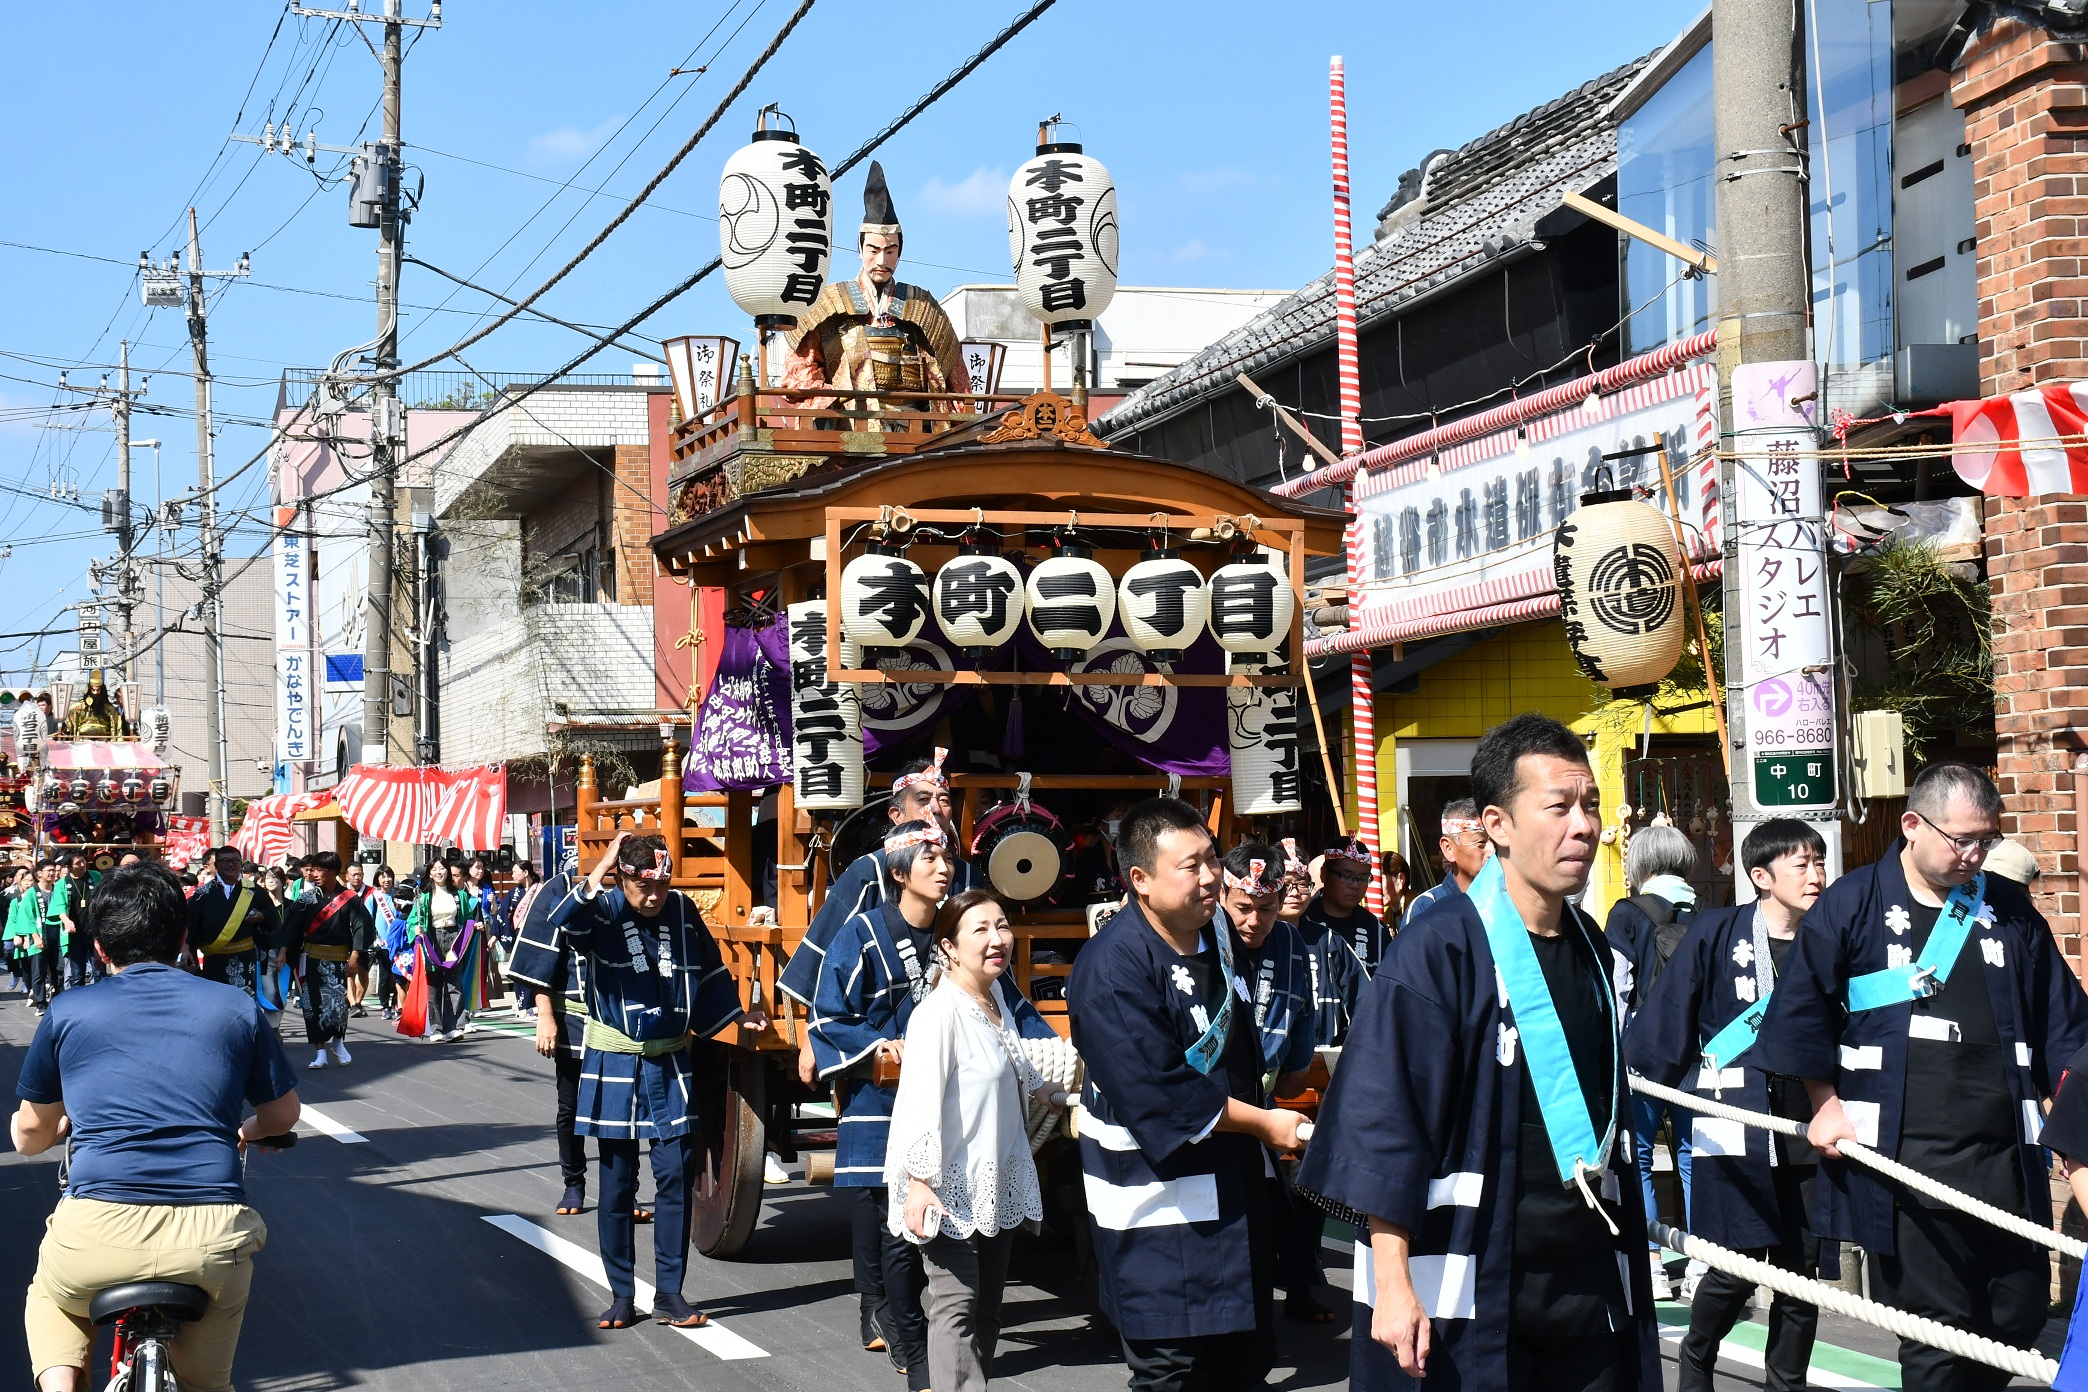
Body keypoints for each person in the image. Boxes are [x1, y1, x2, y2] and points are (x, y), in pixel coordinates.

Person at [1298, 713, 1659, 1392]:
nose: (1584, 826)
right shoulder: (1439, 950)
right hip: (1474, 1283)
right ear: (1498, 824)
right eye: (1558, 807)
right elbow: (1384, 1122)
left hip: (1587, 1284)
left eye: (1590, 806)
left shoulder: (1593, 946)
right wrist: (1393, 1284)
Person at [1754, 762, 2088, 1392]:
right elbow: (1802, 1010)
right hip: (1904, 1156)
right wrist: (1823, 1102)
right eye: (1961, 839)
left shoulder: (2009, 908)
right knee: (1937, 1330)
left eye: (1985, 840)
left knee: (2014, 1319)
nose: (1974, 855)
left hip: (2003, 1155)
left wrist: (2074, 1130)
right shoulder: (1853, 902)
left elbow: (2064, 1028)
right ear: (1912, 825)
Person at [11, 862, 300, 1392]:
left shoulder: (69, 1010)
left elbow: (30, 1135)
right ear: (184, 938)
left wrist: (49, 1128)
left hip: (95, 1234)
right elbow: (282, 1114)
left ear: (101, 948)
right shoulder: (235, 1007)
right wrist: (250, 1132)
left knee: (51, 1299)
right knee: (206, 1384)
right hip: (210, 1238)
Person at [1066, 798, 1309, 1392]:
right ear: (1140, 880)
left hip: (1235, 1188)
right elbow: (1160, 1095)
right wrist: (1268, 1124)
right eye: (1190, 866)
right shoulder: (1110, 969)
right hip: (1157, 1206)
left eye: (1212, 859)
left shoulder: (1216, 933)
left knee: (1242, 1364)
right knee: (1171, 1371)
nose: (1210, 877)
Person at [511, 831, 757, 1330]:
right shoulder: (601, 909)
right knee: (618, 1182)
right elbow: (562, 922)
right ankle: (621, 1294)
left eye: (662, 885)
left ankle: (670, 1294)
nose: (654, 896)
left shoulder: (681, 909)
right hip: (616, 1058)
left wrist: (735, 1014)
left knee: (675, 1177)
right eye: (644, 886)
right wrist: (601, 868)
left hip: (670, 1060)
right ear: (622, 878)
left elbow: (709, 968)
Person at [1623, 819, 1828, 1390]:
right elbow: (1668, 1016)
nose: (1815, 876)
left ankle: (1786, 1383)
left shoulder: (1830, 937)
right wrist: (1634, 1085)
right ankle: (1697, 1360)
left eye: (1819, 863)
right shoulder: (1716, 933)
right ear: (1761, 876)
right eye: (1801, 865)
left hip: (1809, 1118)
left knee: (1800, 1271)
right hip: (1732, 1111)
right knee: (1737, 1261)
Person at [885, 888, 1062, 1392]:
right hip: (946, 1185)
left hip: (994, 1179)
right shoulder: (938, 1014)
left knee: (986, 1307)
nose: (996, 939)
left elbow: (1012, 1060)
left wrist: (1046, 1090)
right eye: (980, 929)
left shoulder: (996, 997)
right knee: (956, 1304)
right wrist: (920, 1183)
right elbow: (918, 1102)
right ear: (949, 947)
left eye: (1001, 925)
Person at [810, 819, 957, 1386]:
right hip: (881, 1090)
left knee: (923, 1218)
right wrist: (877, 1043)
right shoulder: (863, 932)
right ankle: (886, 1314)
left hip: (941, 1093)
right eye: (930, 860)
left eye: (946, 859)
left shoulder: (954, 930)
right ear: (899, 873)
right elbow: (829, 1013)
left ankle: (909, 1319)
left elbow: (1001, 996)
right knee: (883, 1209)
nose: (944, 869)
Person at [781, 749, 980, 1086]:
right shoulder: (869, 870)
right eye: (923, 799)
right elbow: (826, 951)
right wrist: (814, 1033)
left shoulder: (968, 876)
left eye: (944, 800)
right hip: (881, 1028)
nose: (935, 808)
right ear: (896, 815)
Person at [1218, 844, 1331, 1325]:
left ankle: (1298, 1290)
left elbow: (1301, 1013)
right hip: (1216, 1097)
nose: (1254, 921)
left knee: (1309, 1180)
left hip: (1267, 1093)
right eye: (1243, 907)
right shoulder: (1204, 938)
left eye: (1266, 908)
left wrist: (1297, 1066)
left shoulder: (1289, 942)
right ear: (1222, 896)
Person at [1602, 822, 1702, 1298]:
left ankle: (1652, 1266)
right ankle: (1703, 1265)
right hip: (1698, 1053)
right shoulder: (1706, 914)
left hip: (1642, 1054)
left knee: (1638, 1156)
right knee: (1694, 1157)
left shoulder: (1627, 913)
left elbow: (1617, 989)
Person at [778, 161, 970, 407]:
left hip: (916, 425)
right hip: (850, 422)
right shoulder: (826, 305)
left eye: (890, 251)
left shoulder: (924, 308)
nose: (882, 261)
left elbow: (960, 388)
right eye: (873, 250)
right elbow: (796, 382)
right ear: (860, 250)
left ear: (899, 252)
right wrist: (843, 395)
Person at [280, 851, 374, 1070]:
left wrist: (355, 955)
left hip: (339, 960)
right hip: (311, 959)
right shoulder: (306, 899)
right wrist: (283, 951)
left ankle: (338, 1043)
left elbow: (361, 927)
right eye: (312, 870)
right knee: (313, 1005)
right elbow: (292, 927)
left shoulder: (350, 898)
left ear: (332, 872)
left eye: (319, 870)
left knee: (338, 1005)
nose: (314, 874)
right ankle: (320, 1052)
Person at [1296, 837, 1383, 1047]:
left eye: (1363, 878)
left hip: (1360, 1040)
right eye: (1346, 876)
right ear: (1324, 874)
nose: (1355, 885)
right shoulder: (1302, 921)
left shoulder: (1376, 930)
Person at [185, 846, 278, 1001]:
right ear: (216, 865)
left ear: (241, 864)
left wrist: (261, 917)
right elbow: (191, 925)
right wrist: (187, 948)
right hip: (215, 961)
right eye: (225, 861)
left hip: (245, 959)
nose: (230, 864)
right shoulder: (202, 895)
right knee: (216, 1003)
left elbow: (273, 917)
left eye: (235, 861)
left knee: (244, 1003)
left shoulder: (254, 891)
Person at [404, 858, 482, 1042]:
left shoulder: (460, 895)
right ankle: (436, 1028)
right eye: (435, 869)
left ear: (447, 871)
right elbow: (412, 921)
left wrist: (474, 925)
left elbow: (467, 918)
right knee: (433, 985)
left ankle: (453, 1027)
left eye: (442, 869)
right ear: (430, 873)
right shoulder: (424, 897)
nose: (439, 872)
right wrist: (415, 930)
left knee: (455, 984)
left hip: (455, 939)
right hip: (432, 939)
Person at [1401, 797, 1490, 926]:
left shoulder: (1511, 901)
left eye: (1496, 843)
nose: (1492, 851)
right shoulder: (1426, 907)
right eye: (1481, 842)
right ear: (1448, 849)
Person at [362, 865, 405, 1019]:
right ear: (377, 879)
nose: (387, 880)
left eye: (389, 876)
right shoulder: (374, 898)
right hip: (382, 944)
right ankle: (385, 1006)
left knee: (399, 975)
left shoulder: (398, 895)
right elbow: (367, 920)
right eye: (383, 876)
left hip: (398, 943)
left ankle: (397, 1003)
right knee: (385, 976)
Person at [55, 853, 101, 991]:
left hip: (95, 933)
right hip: (75, 934)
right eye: (77, 863)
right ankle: (77, 999)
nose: (82, 865)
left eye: (83, 861)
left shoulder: (96, 876)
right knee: (77, 974)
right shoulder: (62, 883)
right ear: (69, 867)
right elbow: (59, 906)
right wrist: (66, 921)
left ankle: (100, 997)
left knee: (99, 971)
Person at [5, 864, 35, 993]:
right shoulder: (15, 901)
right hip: (19, 934)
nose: (27, 884)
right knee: (14, 954)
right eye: (25, 881)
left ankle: (35, 987)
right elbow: (12, 920)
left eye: (30, 880)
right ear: (20, 883)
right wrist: (16, 935)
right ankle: (21, 978)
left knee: (35, 964)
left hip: (35, 935)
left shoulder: (37, 898)